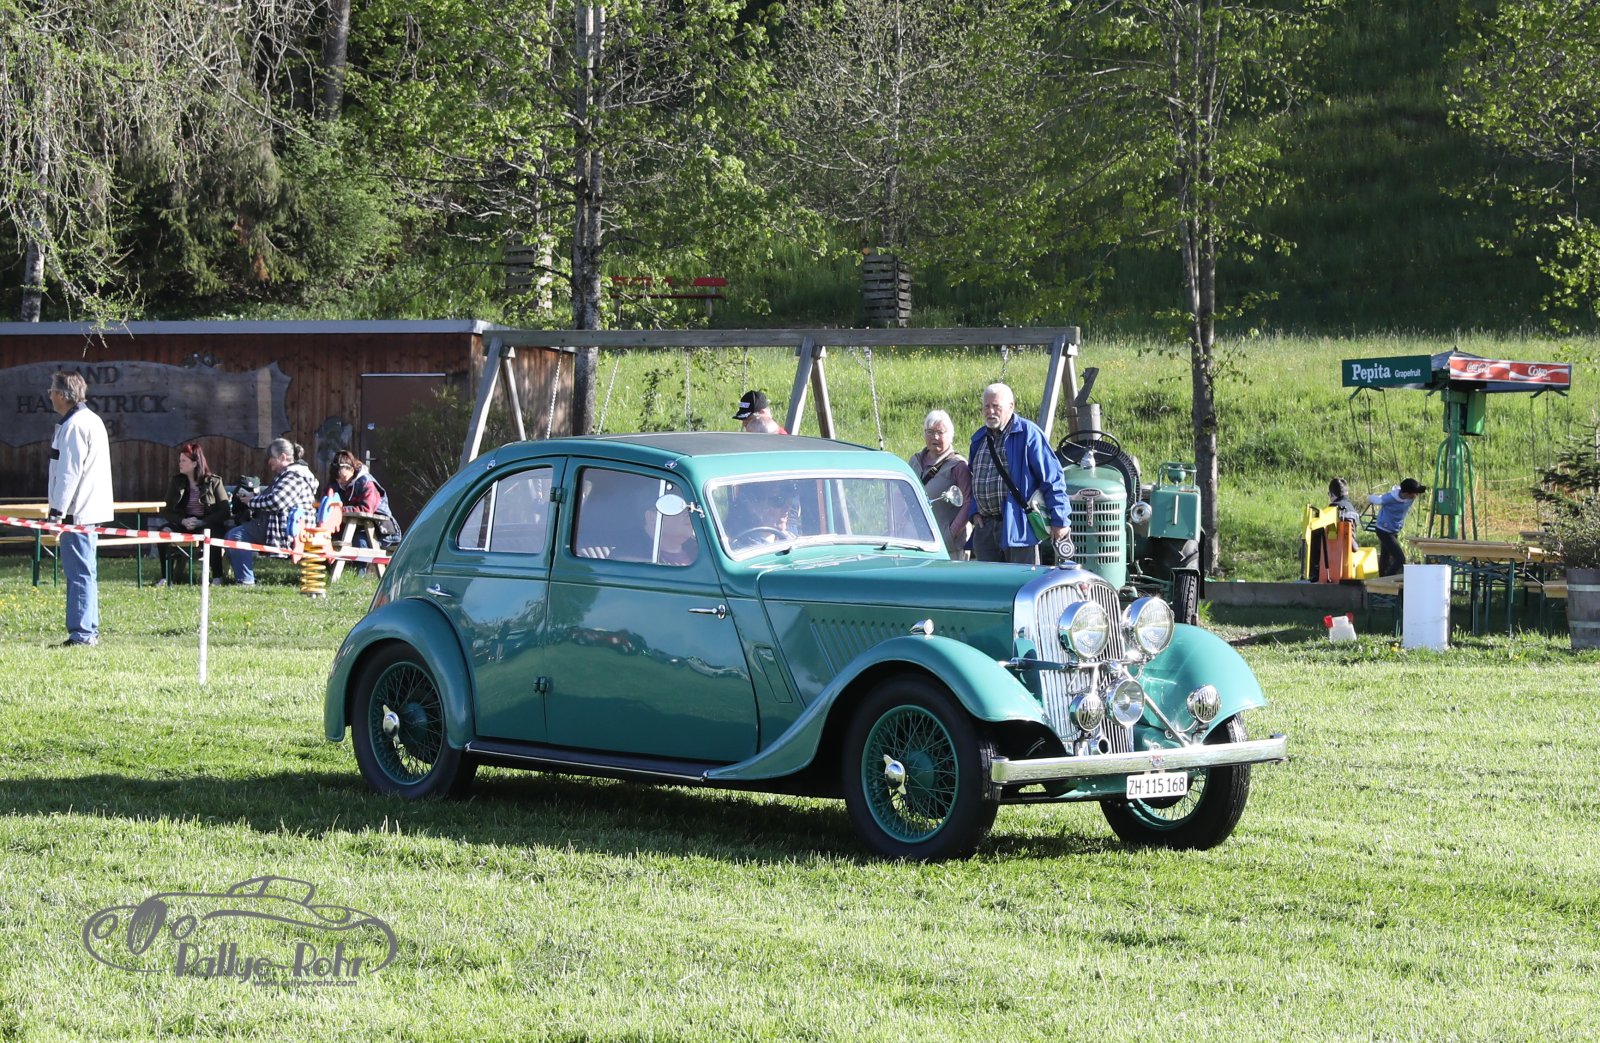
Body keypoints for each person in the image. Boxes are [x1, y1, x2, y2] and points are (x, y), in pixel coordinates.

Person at [956, 383, 1071, 565]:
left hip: (1019, 527)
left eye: (996, 406)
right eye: (986, 406)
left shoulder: (1028, 434)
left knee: (1022, 580)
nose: (990, 411)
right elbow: (974, 477)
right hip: (985, 529)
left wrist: (1060, 520)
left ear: (1011, 407)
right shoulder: (979, 439)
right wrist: (974, 513)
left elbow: (1052, 479)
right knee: (986, 583)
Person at [46, 371, 113, 646]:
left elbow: (68, 473)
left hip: (77, 512)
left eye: (52, 390)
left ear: (63, 395)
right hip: (87, 509)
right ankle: (88, 630)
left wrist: (56, 514)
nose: (50, 395)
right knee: (86, 572)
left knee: (79, 574)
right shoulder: (91, 420)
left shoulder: (75, 425)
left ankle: (82, 634)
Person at [224, 438, 317, 585]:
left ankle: (245, 581)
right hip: (286, 526)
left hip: (288, 530)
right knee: (233, 533)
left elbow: (276, 501)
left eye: (271, 458)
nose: (269, 462)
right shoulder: (293, 475)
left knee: (235, 536)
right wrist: (255, 496)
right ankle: (241, 578)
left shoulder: (293, 476)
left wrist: (251, 501)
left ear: (283, 457)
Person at [156, 442, 230, 586]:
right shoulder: (177, 481)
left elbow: (225, 511)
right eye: (180, 460)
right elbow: (167, 510)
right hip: (184, 523)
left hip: (207, 523)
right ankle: (166, 577)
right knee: (163, 532)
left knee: (211, 533)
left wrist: (202, 522)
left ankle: (217, 577)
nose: (180, 463)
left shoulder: (214, 482)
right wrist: (182, 521)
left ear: (195, 463)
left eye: (184, 460)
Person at [910, 409, 972, 557]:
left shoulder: (958, 466)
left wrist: (950, 534)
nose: (935, 437)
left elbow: (968, 502)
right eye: (930, 432)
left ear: (950, 435)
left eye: (940, 432)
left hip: (948, 548)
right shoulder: (915, 461)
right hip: (917, 543)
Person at [325, 451, 402, 548]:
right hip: (356, 528)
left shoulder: (367, 483)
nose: (341, 481)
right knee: (328, 536)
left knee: (358, 542)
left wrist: (340, 510)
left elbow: (366, 509)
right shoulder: (337, 485)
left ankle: (361, 559)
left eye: (343, 477)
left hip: (382, 532)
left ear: (352, 470)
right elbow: (326, 503)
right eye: (338, 479)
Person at [1368, 477, 1427, 577]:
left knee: (1385, 556)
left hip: (1394, 529)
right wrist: (1370, 497)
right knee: (1400, 559)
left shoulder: (1410, 497)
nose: (1416, 496)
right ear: (1406, 493)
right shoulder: (1390, 498)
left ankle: (1381, 579)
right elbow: (1378, 500)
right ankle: (1385, 581)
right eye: (1414, 493)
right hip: (1383, 530)